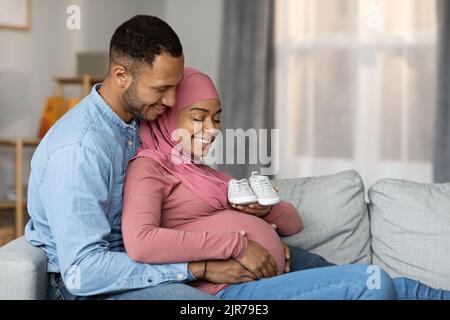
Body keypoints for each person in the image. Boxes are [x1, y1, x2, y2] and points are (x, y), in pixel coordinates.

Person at [121, 67, 401, 300]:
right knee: (372, 282)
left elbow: (293, 223)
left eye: (217, 120)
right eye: (198, 118)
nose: (212, 129)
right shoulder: (149, 167)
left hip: (267, 280)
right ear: (169, 117)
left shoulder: (207, 174)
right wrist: (238, 246)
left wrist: (266, 212)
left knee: (400, 288)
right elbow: (141, 242)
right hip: (232, 290)